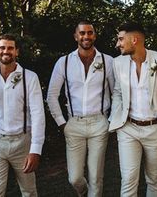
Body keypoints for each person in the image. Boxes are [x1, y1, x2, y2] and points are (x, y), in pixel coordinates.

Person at [108, 22, 157, 197]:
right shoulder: (118, 63)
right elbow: (118, 92)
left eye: (121, 39)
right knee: (128, 178)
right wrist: (116, 119)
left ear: (134, 40)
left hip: (156, 129)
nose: (117, 44)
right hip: (128, 129)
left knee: (154, 178)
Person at [47, 20, 114, 197]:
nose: (86, 36)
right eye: (82, 33)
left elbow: (117, 93)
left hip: (99, 123)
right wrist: (62, 124)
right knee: (75, 177)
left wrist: (111, 120)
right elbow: (52, 95)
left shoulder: (108, 61)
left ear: (95, 35)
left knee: (96, 176)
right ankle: (83, 192)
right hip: (73, 123)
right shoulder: (64, 62)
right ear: (76, 36)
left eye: (90, 33)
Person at [0, 34, 45, 196]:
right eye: (2, 47)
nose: (6, 51)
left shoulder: (30, 77)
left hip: (22, 143)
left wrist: (35, 150)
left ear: (16, 51)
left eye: (10, 48)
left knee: (29, 191)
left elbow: (38, 115)